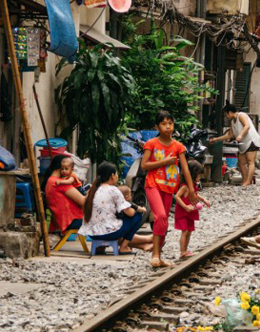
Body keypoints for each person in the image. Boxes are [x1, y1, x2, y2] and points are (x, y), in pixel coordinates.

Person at [141, 111, 198, 268]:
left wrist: (191, 190)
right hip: (152, 184)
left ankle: (158, 256)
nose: (168, 127)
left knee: (164, 221)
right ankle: (155, 255)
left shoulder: (178, 146)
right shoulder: (151, 144)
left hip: (169, 187)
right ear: (157, 127)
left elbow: (185, 169)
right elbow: (144, 165)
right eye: (164, 124)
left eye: (170, 123)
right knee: (160, 216)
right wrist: (164, 162)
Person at [79, 161, 153, 254]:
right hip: (108, 234)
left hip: (91, 234)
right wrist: (139, 209)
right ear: (112, 175)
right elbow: (129, 212)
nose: (117, 177)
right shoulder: (113, 189)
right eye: (117, 174)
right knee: (138, 215)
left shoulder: (92, 190)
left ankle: (101, 247)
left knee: (111, 220)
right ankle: (124, 246)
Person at [210, 104, 260, 186]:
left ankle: (248, 181)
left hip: (251, 140)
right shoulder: (232, 122)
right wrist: (216, 139)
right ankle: (245, 180)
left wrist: (240, 135)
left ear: (230, 112)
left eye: (226, 114)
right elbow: (229, 135)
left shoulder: (241, 115)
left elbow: (247, 126)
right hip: (243, 143)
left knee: (250, 161)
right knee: (241, 162)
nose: (226, 116)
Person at [174, 160, 211, 258]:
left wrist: (203, 200)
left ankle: (186, 250)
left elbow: (195, 195)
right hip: (183, 211)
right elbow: (177, 197)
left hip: (191, 212)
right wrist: (185, 206)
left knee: (189, 231)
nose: (200, 178)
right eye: (199, 176)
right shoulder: (185, 187)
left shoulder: (193, 186)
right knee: (184, 231)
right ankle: (183, 251)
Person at [43, 155, 86, 233]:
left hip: (62, 221)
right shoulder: (60, 183)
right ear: (62, 167)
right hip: (71, 221)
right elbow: (83, 201)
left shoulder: (50, 181)